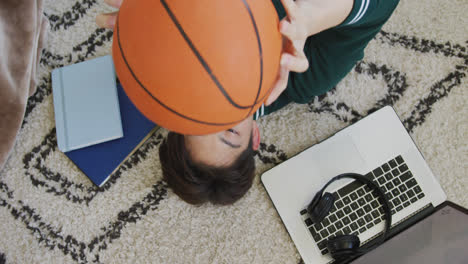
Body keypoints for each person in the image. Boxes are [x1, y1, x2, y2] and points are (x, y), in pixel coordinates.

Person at [97, 0, 400, 205]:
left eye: (200, 123)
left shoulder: (167, 64)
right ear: (254, 136)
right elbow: (378, 6)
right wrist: (307, 17)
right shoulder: (306, 76)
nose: (215, 112)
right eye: (228, 131)